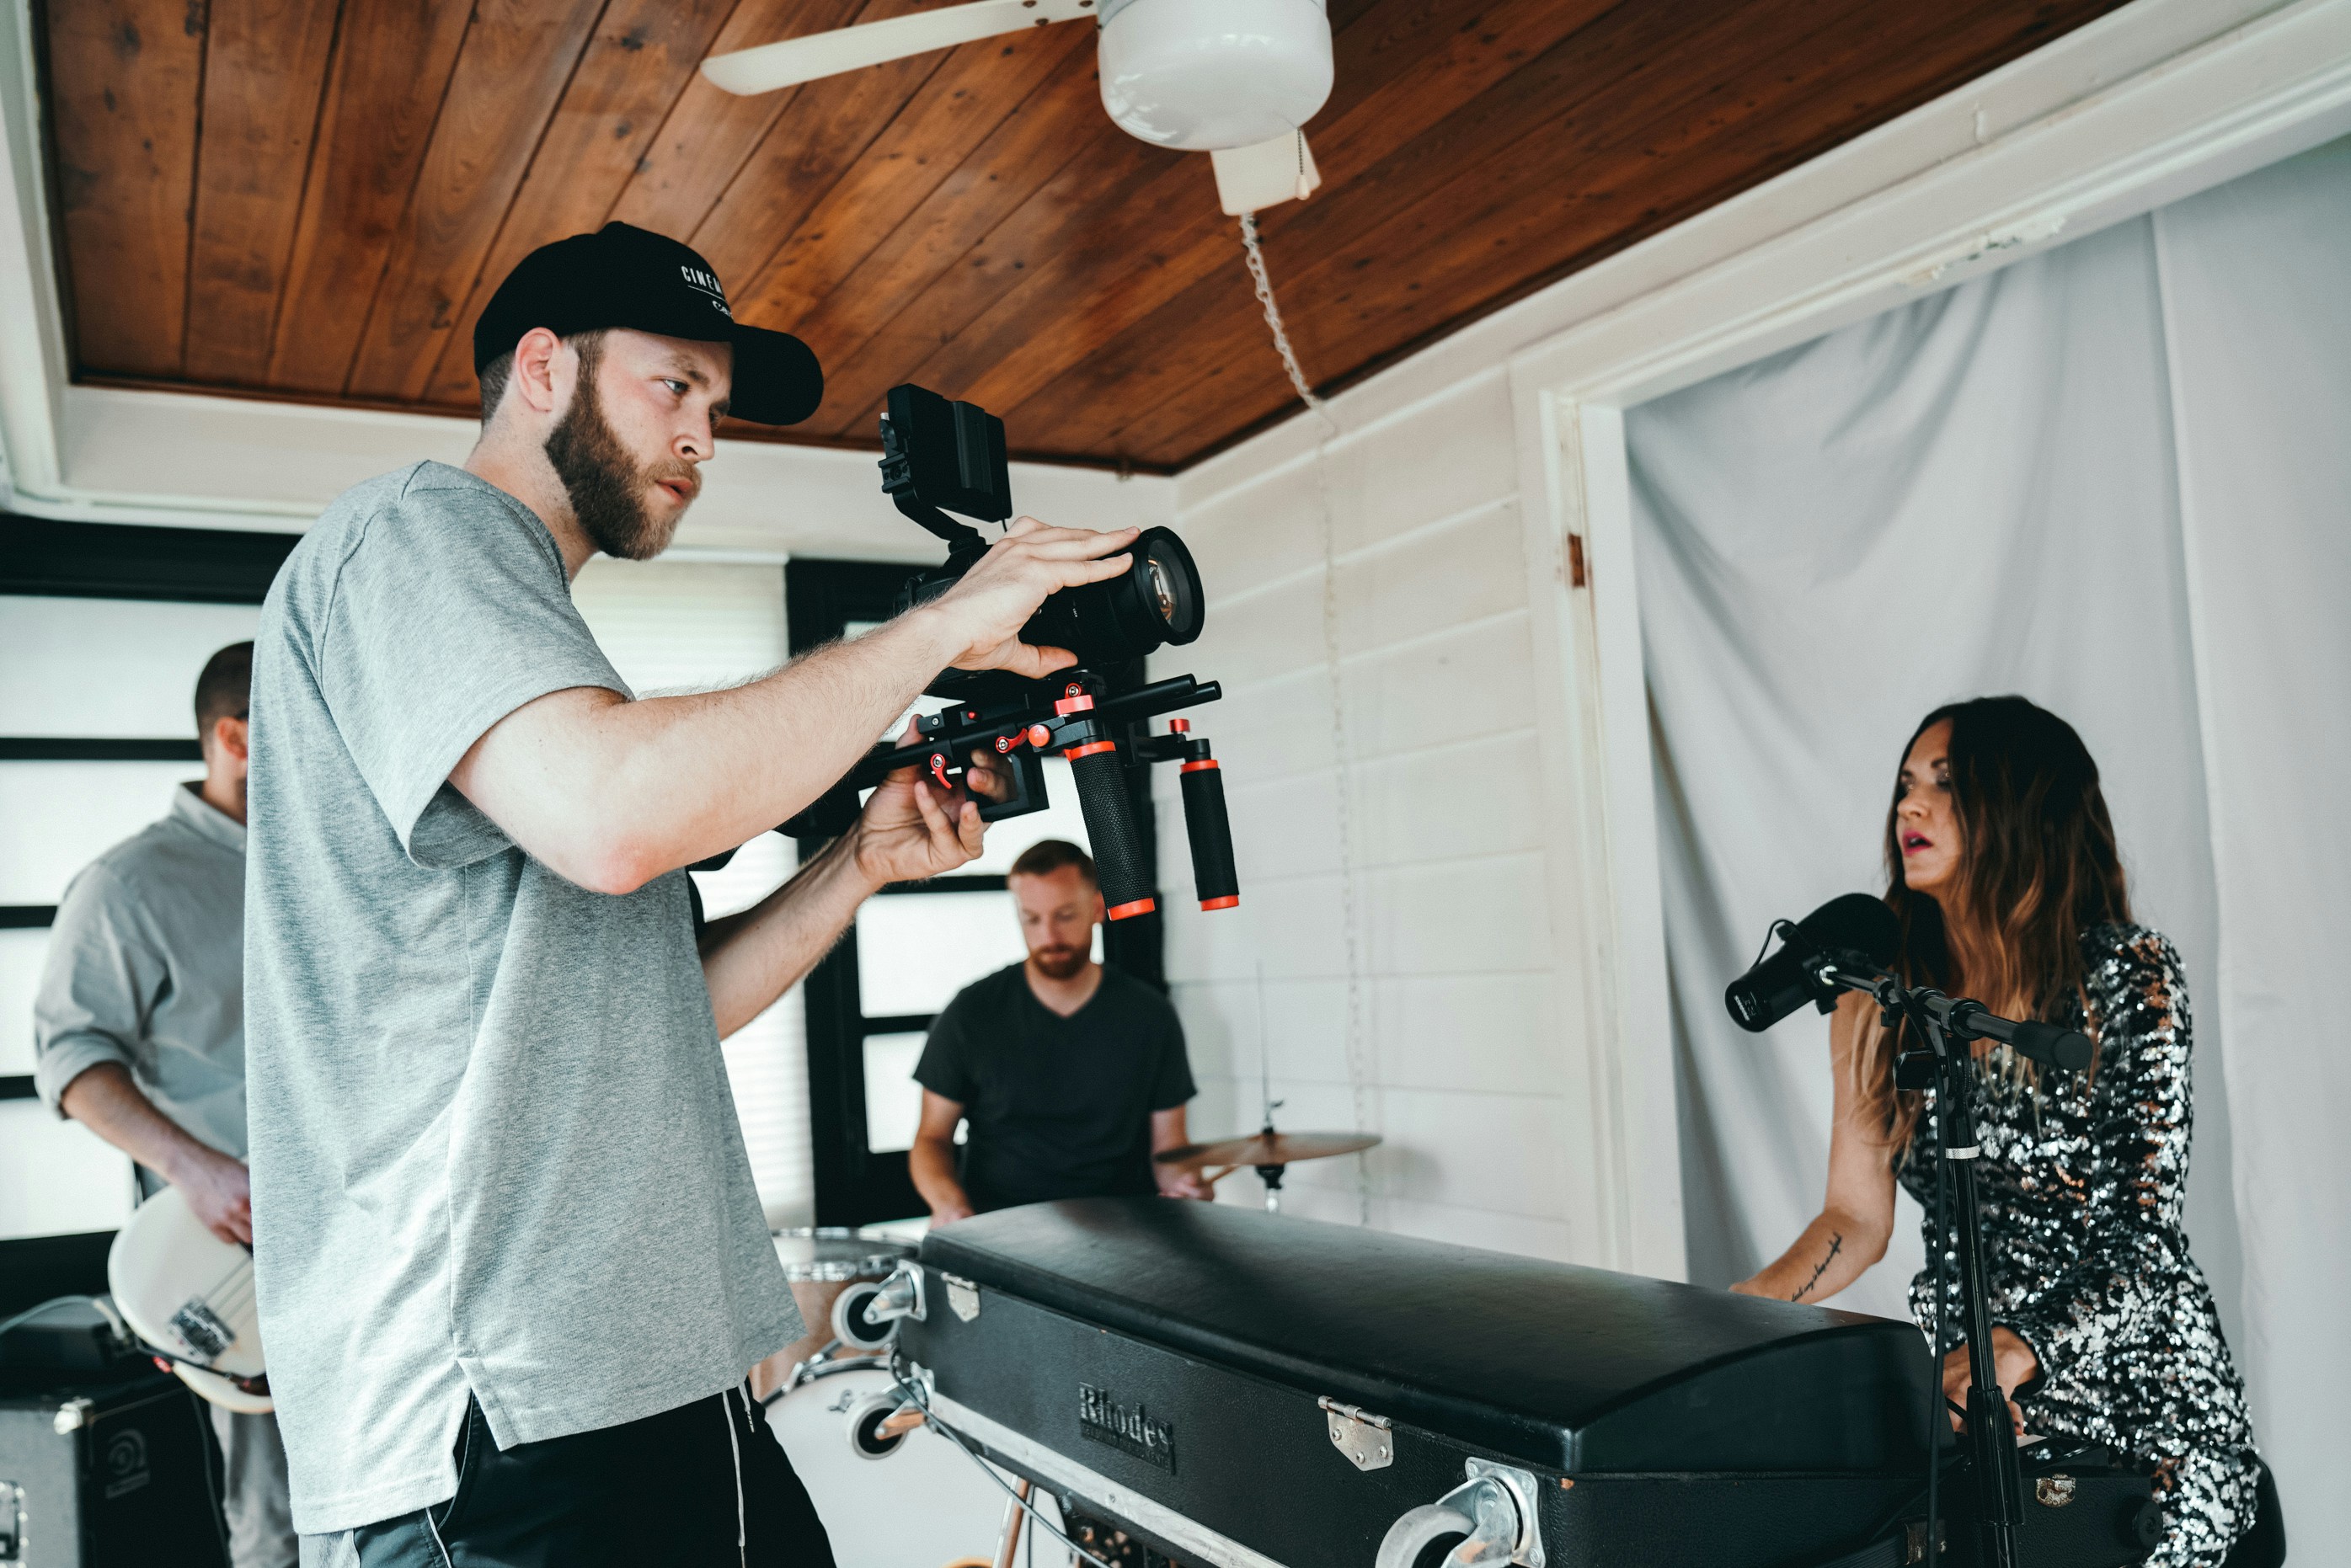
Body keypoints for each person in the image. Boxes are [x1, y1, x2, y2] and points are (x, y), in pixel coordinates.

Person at [241, 221, 1141, 1565]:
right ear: (541, 369)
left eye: (715, 408)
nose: (703, 438)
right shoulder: (414, 534)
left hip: (647, 1373)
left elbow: (659, 1010)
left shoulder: (535, 648)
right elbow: (616, 817)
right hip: (497, 1407)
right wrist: (946, 622)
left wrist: (857, 860)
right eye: (673, 386)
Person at [1734, 696, 2278, 1568]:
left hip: (2147, 1431)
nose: (1908, 805)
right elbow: (1852, 1218)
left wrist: (2015, 1345)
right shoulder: (1878, 999)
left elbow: (2143, 1239)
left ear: (2021, 804)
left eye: (1944, 785)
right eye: (1905, 784)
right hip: (1983, 1419)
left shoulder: (2122, 976)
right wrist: (1731, 1318)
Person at [32, 642, 298, 1568]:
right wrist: (199, 1170)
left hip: (379, 1234)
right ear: (236, 737)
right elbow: (70, 1059)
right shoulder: (126, 886)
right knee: (280, 1520)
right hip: (244, 1254)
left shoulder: (337, 860)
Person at [910, 839, 1210, 1224]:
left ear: (1098, 909)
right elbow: (931, 1138)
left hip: (1124, 1231)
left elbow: (1168, 1147)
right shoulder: (971, 1013)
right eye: (1032, 919)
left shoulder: (1150, 1015)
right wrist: (949, 1204)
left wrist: (1185, 1186)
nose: (1049, 936)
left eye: (1065, 915)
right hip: (1004, 1229)